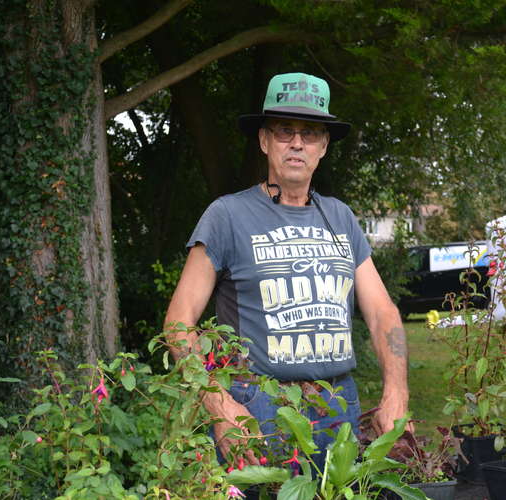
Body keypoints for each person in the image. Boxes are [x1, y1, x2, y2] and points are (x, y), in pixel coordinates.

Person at [163, 72, 410, 469]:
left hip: (337, 406)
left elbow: (383, 313)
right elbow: (178, 323)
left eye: (310, 133)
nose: (297, 142)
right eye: (284, 131)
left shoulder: (341, 218)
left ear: (323, 146)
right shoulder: (227, 215)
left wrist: (396, 392)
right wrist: (219, 404)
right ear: (264, 141)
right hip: (257, 407)